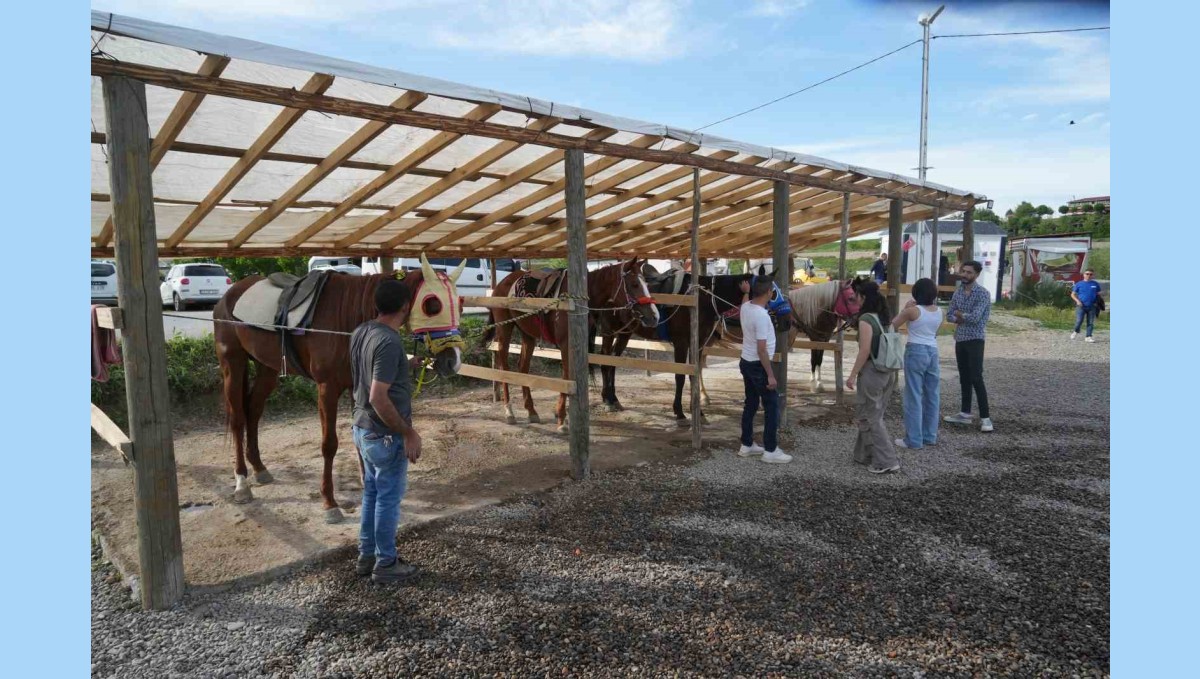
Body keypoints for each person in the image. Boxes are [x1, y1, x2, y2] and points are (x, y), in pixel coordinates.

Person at [349, 278, 424, 584]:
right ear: (406, 307)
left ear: (376, 304)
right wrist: (408, 433)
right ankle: (386, 563)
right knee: (388, 500)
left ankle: (367, 556)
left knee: (372, 494)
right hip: (385, 435)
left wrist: (407, 365)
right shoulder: (390, 342)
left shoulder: (361, 331)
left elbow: (370, 370)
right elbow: (378, 396)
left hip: (362, 429)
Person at [846, 281, 901, 474]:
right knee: (868, 413)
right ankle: (864, 454)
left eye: (856, 295)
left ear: (864, 297)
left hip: (872, 371)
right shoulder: (884, 317)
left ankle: (887, 460)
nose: (854, 298)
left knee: (872, 417)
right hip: (888, 372)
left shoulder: (866, 319)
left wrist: (852, 375)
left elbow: (865, 350)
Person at [737, 277, 792, 464]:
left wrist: (745, 292)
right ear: (770, 292)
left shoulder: (746, 307)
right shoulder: (762, 316)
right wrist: (770, 375)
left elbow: (744, 302)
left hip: (746, 361)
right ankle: (770, 449)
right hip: (758, 365)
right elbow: (762, 349)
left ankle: (746, 444)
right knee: (771, 406)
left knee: (751, 403)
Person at [891, 278, 943, 449]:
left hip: (916, 350)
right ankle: (930, 435)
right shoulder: (939, 311)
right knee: (932, 395)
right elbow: (934, 332)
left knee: (913, 395)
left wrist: (904, 309)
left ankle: (913, 439)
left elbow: (892, 325)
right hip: (933, 350)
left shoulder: (912, 311)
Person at [944, 261, 993, 433]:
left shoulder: (983, 294)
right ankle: (965, 413)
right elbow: (949, 315)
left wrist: (960, 315)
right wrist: (960, 316)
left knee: (976, 377)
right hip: (961, 339)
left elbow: (976, 318)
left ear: (977, 275)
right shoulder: (958, 292)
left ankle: (986, 418)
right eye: (963, 271)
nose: (964, 275)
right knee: (964, 376)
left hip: (975, 339)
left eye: (969, 272)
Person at [1070, 268, 1102, 342]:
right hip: (1081, 306)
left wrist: (1098, 302)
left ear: (1092, 275)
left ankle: (1088, 337)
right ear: (1084, 275)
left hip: (1092, 306)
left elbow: (1098, 294)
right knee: (1079, 321)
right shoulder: (1079, 284)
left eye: (1091, 274)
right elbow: (1073, 294)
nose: (1089, 275)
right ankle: (1076, 331)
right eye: (1087, 274)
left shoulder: (1095, 284)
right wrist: (1077, 301)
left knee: (1090, 322)